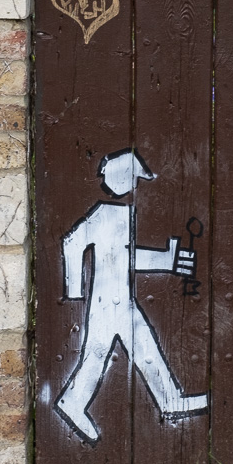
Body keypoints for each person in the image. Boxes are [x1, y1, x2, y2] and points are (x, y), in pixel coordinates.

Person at [55, 150, 208, 443]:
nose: (136, 185)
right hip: (107, 301)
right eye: (134, 179)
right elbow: (73, 243)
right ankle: (73, 402)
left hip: (119, 298)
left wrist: (167, 261)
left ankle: (169, 400)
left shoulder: (117, 212)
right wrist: (74, 290)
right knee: (98, 354)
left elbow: (124, 256)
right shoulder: (105, 213)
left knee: (144, 349)